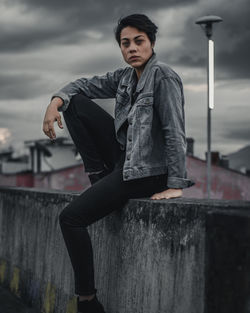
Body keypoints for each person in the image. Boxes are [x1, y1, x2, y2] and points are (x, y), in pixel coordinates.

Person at [42, 13, 195, 313]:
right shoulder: (125, 77)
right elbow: (80, 85)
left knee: (71, 219)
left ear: (151, 42)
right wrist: (53, 103)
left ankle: (87, 302)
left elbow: (174, 131)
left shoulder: (163, 76)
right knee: (76, 103)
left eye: (139, 41)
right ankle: (100, 181)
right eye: (126, 44)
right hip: (124, 164)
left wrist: (176, 184)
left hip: (148, 171)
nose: (132, 49)